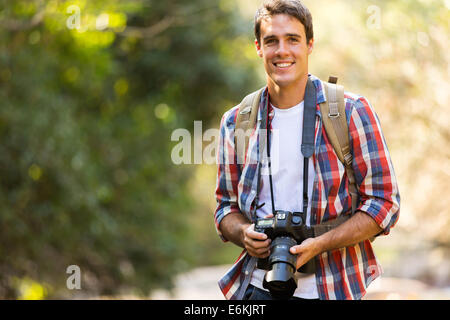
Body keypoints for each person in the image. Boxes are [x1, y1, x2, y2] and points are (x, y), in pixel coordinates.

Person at [214, 0, 400, 300]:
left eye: (293, 39)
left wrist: (321, 243)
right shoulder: (236, 121)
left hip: (332, 286)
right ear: (258, 47)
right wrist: (243, 235)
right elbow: (226, 207)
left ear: (310, 44)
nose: (282, 51)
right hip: (257, 286)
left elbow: (384, 204)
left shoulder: (351, 112)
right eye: (271, 41)